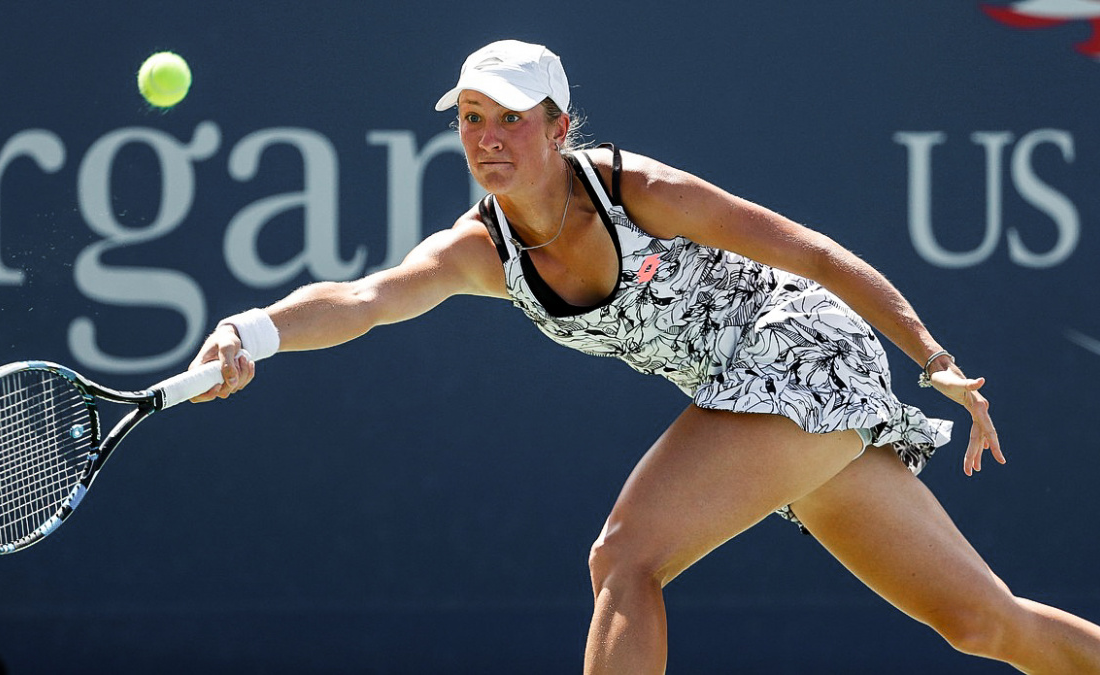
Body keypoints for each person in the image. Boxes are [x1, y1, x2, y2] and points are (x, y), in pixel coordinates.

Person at [189, 39, 1100, 673]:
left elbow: (811, 251)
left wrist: (932, 355)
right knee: (985, 623)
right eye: (470, 118)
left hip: (801, 348)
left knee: (623, 557)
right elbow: (363, 300)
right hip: (756, 398)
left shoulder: (643, 190)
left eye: (508, 117)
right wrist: (251, 330)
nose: (486, 138)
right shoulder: (477, 251)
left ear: (558, 127)